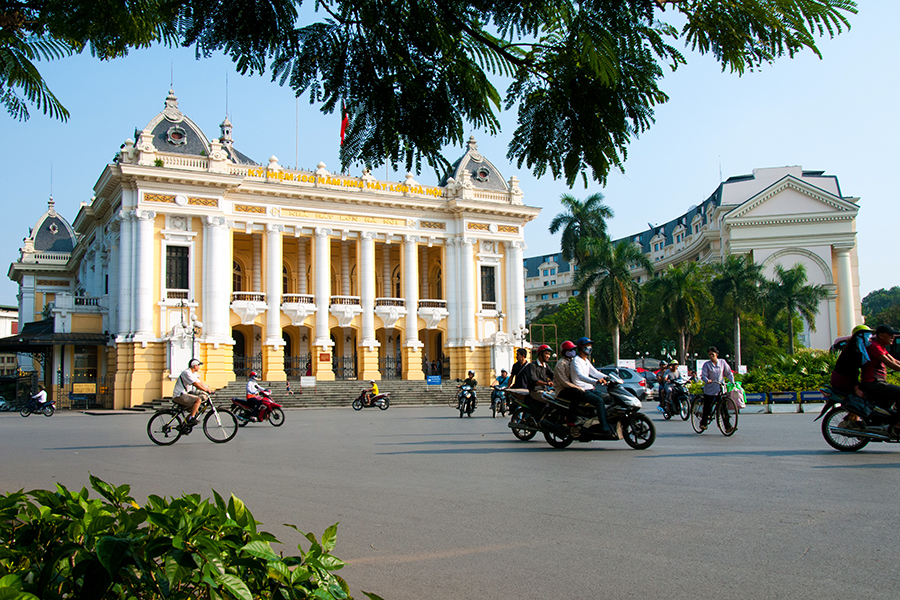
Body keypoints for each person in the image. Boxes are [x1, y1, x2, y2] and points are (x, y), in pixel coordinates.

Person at [570, 337, 612, 435]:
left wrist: (608, 377)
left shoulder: (586, 361)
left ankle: (603, 420)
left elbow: (595, 372)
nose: (589, 348)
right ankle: (604, 427)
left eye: (590, 346)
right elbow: (581, 376)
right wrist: (596, 381)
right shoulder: (576, 360)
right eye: (587, 346)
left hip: (590, 389)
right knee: (599, 401)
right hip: (581, 390)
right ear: (580, 347)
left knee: (609, 398)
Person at [859, 324, 900, 413]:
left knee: (889, 403)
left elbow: (895, 361)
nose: (893, 337)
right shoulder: (875, 347)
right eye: (890, 334)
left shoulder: (881, 347)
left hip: (878, 382)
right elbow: (890, 363)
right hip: (872, 382)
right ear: (881, 335)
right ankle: (898, 424)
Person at [830, 324, 874, 397]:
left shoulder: (851, 347)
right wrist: (857, 390)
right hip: (842, 381)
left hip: (837, 379)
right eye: (868, 336)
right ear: (861, 336)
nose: (870, 340)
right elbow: (854, 372)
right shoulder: (855, 351)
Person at [699, 347, 735, 432]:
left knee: (723, 408)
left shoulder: (722, 362)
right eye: (710, 355)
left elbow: (728, 373)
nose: (711, 356)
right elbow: (703, 376)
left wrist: (732, 382)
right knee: (707, 408)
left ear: (717, 354)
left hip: (720, 388)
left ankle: (728, 426)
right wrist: (707, 380)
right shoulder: (707, 365)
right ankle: (703, 423)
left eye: (713, 354)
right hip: (710, 388)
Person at [553, 341, 588, 424]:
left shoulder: (573, 361)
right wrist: (578, 387)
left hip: (571, 387)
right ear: (564, 352)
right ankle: (570, 417)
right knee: (578, 394)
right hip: (562, 389)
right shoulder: (561, 364)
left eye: (573, 349)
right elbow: (564, 382)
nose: (573, 351)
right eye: (570, 350)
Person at [172, 358, 212, 425]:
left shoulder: (192, 374)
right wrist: (205, 390)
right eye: (199, 365)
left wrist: (209, 390)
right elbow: (195, 384)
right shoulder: (187, 373)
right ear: (195, 366)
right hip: (179, 396)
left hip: (184, 394)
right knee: (198, 400)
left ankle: (185, 424)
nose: (199, 367)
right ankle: (191, 418)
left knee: (196, 409)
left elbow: (200, 383)